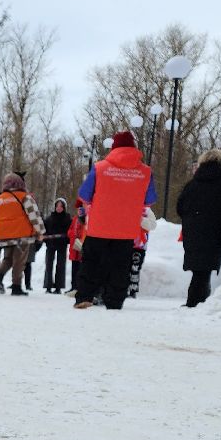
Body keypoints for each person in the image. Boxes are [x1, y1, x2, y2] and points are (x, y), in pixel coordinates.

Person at [74, 130, 156, 310]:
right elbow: (149, 200)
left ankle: (85, 296)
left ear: (114, 148)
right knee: (120, 266)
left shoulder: (100, 167)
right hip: (126, 229)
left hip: (99, 226)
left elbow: (84, 195)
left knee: (91, 262)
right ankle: (115, 301)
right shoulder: (146, 171)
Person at [175, 148, 221, 307]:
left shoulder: (193, 183)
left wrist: (191, 219)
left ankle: (195, 301)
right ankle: (196, 303)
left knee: (199, 269)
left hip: (193, 230)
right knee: (205, 269)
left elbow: (180, 206)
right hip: (216, 230)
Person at [0, 173, 45, 296]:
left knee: (8, 259)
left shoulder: (0, 199)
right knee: (19, 261)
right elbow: (34, 216)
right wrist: (40, 231)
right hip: (22, 235)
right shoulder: (25, 197)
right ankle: (16, 287)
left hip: (5, 235)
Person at [41, 197, 71, 294]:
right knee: (49, 264)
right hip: (51, 244)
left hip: (62, 245)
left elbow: (70, 232)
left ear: (64, 208)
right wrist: (46, 239)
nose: (59, 208)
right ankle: (48, 286)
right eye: (57, 206)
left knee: (60, 265)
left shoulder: (67, 218)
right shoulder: (50, 218)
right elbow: (44, 230)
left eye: (61, 206)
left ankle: (58, 287)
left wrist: (66, 240)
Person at [66, 198, 88, 294]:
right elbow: (70, 230)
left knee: (80, 268)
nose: (79, 211)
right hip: (74, 247)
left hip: (81, 246)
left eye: (81, 209)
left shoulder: (86, 219)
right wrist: (72, 234)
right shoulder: (75, 218)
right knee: (74, 268)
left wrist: (79, 236)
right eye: (78, 209)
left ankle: (79, 287)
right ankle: (73, 286)